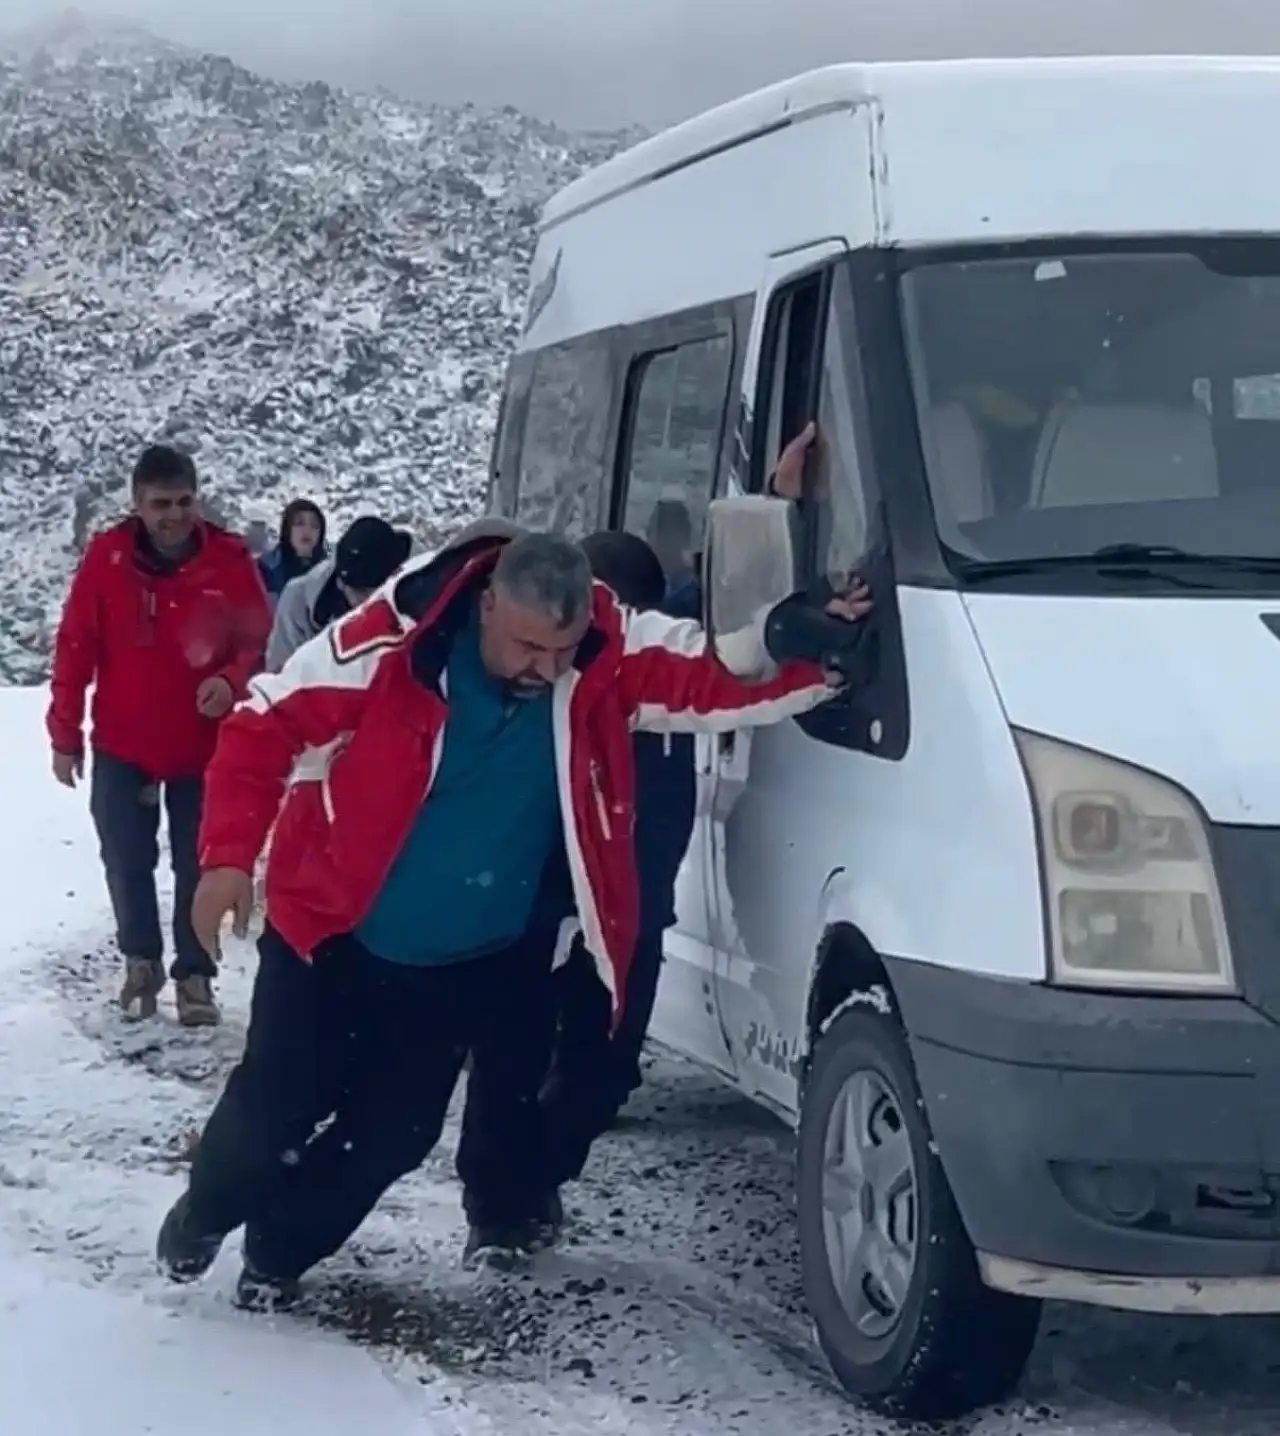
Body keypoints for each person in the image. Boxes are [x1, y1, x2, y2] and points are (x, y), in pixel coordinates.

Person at [154, 518, 869, 1310]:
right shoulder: (387, 645)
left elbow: (708, 669)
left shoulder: (599, 647)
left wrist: (814, 655)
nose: (548, 670)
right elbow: (264, 727)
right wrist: (224, 859)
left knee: (393, 1133)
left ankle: (277, 1255)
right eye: (531, 649)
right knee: (274, 1112)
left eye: (563, 651)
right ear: (487, 606)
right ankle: (206, 1212)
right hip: (331, 938)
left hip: (463, 960)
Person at [459, 529, 698, 1250]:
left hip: (631, 916)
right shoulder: (544, 690)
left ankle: (533, 1181)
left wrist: (780, 500)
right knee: (510, 1062)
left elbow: (718, 604)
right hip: (537, 907)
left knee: (606, 1073)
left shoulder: (661, 664)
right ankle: (495, 1210)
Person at [46, 444, 272, 1027]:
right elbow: (76, 645)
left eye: (184, 501)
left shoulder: (226, 559)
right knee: (126, 858)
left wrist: (231, 678)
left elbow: (257, 640)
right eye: (160, 504)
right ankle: (140, 962)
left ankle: (195, 975)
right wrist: (64, 732)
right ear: (137, 504)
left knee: (197, 864)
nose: (174, 515)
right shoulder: (108, 559)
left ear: (198, 499)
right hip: (123, 744)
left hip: (204, 747)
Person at [266, 516, 414, 671]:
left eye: (375, 590)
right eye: (360, 591)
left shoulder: (412, 599)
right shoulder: (299, 603)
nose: (366, 600)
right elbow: (280, 677)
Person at [258, 498, 327, 606]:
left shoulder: (329, 574)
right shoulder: (264, 569)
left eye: (315, 525)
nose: (307, 530)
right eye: (299, 523)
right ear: (287, 529)